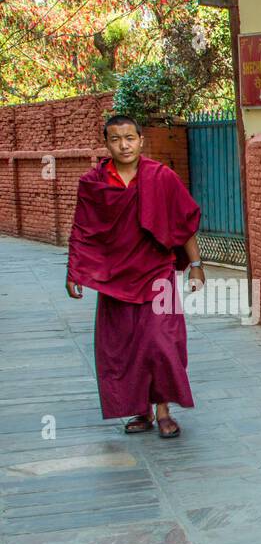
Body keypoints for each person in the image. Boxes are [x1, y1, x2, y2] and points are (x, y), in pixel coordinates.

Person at [66, 114, 204, 439]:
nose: (124, 145)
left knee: (160, 342)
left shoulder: (161, 177)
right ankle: (139, 410)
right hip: (115, 277)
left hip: (157, 273)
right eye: (116, 139)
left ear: (141, 140)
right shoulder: (95, 183)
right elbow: (83, 230)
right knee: (124, 346)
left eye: (130, 138)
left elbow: (182, 222)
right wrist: (74, 270)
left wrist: (196, 264)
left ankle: (164, 409)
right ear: (107, 143)